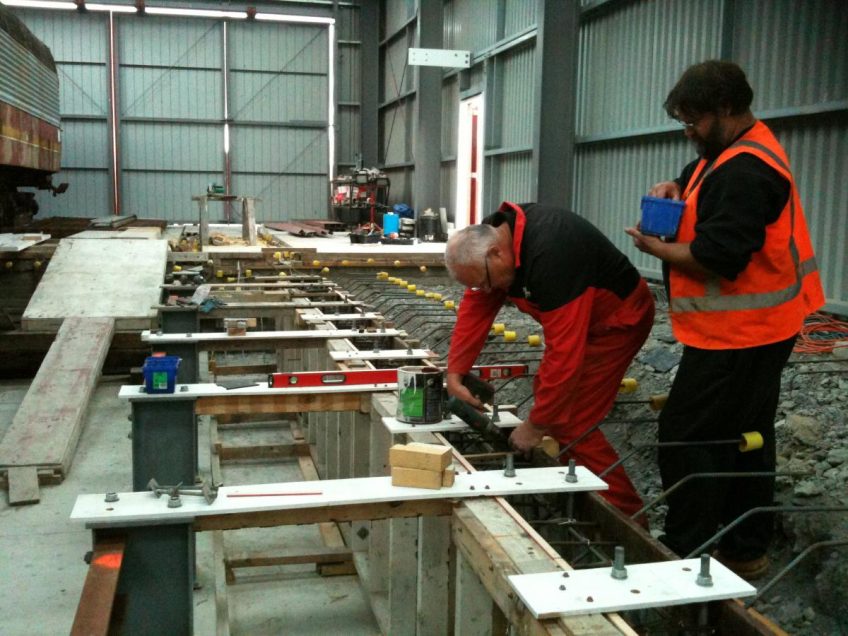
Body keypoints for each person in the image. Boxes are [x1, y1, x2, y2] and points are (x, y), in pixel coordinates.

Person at [625, 60, 825, 578]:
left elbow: (719, 256)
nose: (689, 133)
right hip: (760, 325)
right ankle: (744, 546)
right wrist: (674, 184)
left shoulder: (746, 171)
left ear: (729, 109)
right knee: (748, 432)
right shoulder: (733, 150)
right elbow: (700, 177)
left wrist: (656, 249)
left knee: (687, 434)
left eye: (696, 122)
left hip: (741, 334)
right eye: (684, 123)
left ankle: (684, 551)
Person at [444, 202, 655, 518]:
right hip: (582, 319)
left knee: (571, 419)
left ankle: (627, 517)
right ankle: (578, 482)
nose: (487, 290)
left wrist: (537, 425)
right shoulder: (492, 238)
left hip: (618, 322)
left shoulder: (553, 253)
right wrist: (456, 372)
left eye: (486, 281)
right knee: (553, 401)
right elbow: (477, 305)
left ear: (496, 255)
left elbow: (565, 353)